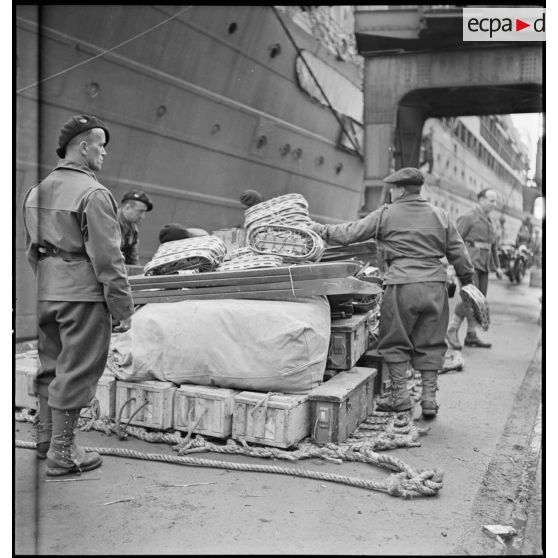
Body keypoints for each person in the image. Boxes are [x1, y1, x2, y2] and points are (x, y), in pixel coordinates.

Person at [310, 167, 474, 417]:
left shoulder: (386, 213)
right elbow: (459, 252)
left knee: (395, 341)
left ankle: (400, 397)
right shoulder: (440, 215)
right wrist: (467, 281)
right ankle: (429, 400)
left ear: (399, 190)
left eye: (392, 188)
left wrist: (317, 229)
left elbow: (348, 234)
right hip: (435, 288)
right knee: (431, 343)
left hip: (401, 285)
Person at [22, 114, 134, 476]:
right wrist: (122, 307)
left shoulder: (37, 190)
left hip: (47, 291)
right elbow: (107, 257)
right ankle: (64, 453)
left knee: (52, 365)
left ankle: (45, 440)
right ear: (83, 147)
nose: (104, 153)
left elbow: (31, 250)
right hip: (83, 294)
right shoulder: (94, 193)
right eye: (101, 145)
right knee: (79, 368)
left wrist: (51, 282)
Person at [446, 188, 503, 350]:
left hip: (484, 266)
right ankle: (452, 330)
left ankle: (471, 335)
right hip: (469, 265)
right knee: (469, 298)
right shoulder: (469, 217)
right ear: (481, 199)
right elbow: (454, 241)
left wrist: (497, 267)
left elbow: (493, 247)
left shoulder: (490, 222)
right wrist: (451, 265)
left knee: (479, 300)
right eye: (491, 200)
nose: (494, 204)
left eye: (495, 201)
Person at [118, 189, 153, 265]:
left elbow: (133, 260)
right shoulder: (109, 222)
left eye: (144, 212)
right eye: (140, 211)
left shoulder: (133, 230)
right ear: (127, 207)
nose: (143, 216)